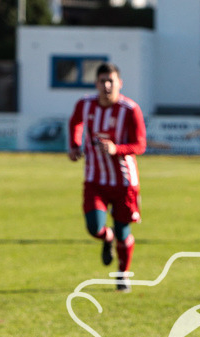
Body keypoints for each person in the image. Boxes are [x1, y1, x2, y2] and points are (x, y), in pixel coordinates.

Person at [68, 62, 147, 290]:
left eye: (111, 81)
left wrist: (116, 149)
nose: (107, 85)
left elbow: (140, 145)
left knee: (124, 232)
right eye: (103, 81)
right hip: (95, 179)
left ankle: (122, 275)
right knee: (94, 227)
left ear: (120, 83)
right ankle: (106, 237)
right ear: (96, 84)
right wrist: (74, 145)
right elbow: (75, 123)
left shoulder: (130, 109)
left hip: (124, 182)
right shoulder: (85, 104)